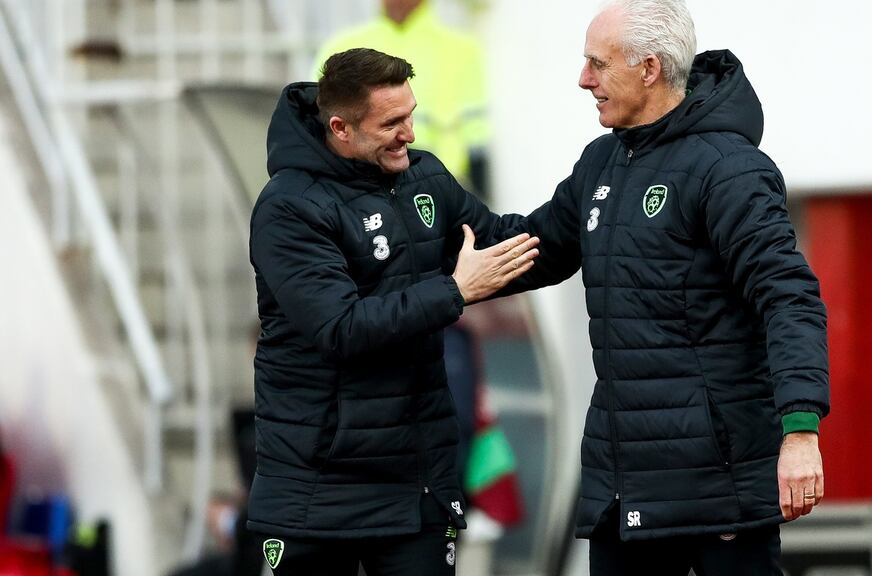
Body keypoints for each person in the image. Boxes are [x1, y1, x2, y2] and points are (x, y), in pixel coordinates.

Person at [499, 1, 830, 573]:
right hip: (624, 489)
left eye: (597, 64)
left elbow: (788, 296)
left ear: (649, 68)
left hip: (716, 487)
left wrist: (801, 430)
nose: (584, 80)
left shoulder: (728, 169)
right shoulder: (600, 162)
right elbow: (532, 246)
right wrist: (420, 212)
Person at [246, 48, 539, 576]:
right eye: (392, 122)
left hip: (416, 485)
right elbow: (341, 327)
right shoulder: (288, 207)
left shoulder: (424, 177)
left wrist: (596, 210)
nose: (410, 133)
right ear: (341, 128)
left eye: (411, 115)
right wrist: (454, 291)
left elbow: (503, 246)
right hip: (316, 493)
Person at [311, 0, 490, 198]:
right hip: (361, 186)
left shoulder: (460, 48)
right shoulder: (341, 46)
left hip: (440, 186)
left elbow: (477, 129)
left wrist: (479, 190)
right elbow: (317, 119)